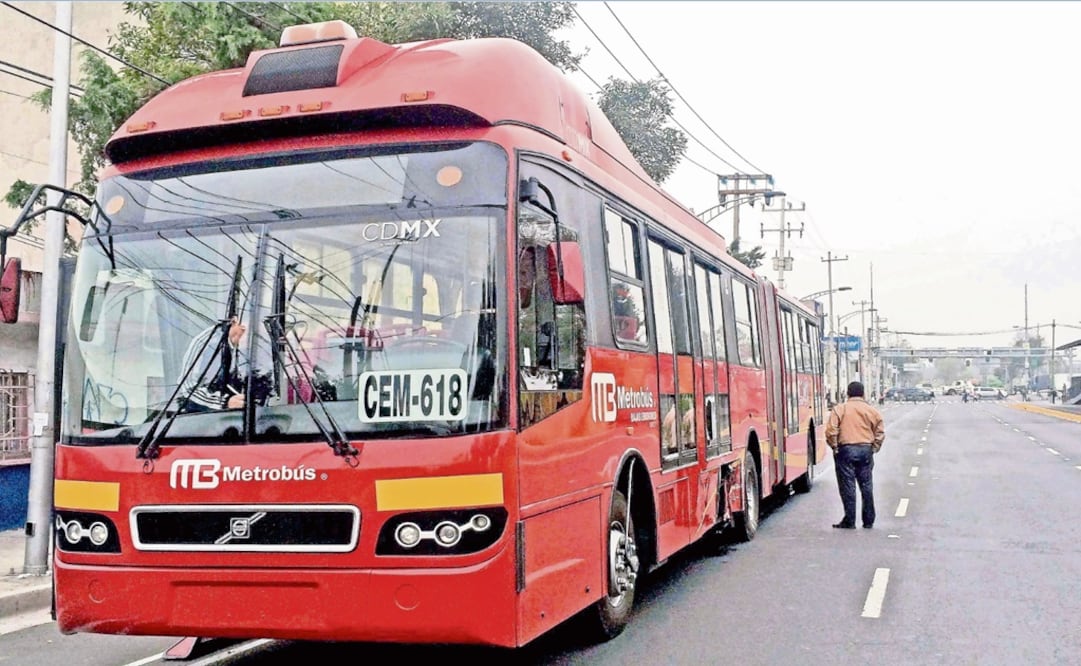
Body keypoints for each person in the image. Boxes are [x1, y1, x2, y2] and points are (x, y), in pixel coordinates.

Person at [825, 380, 885, 529]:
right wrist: (874, 447)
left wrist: (834, 445)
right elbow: (880, 432)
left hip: (845, 450)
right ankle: (868, 520)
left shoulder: (840, 409)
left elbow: (831, 430)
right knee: (866, 486)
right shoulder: (872, 411)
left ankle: (850, 520)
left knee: (848, 486)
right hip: (866, 450)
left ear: (848, 394)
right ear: (863, 394)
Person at [179, 317, 248, 411]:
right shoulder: (207, 342)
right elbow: (188, 388)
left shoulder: (260, 347)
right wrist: (225, 402)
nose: (249, 337)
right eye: (244, 330)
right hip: (204, 417)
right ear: (234, 321)